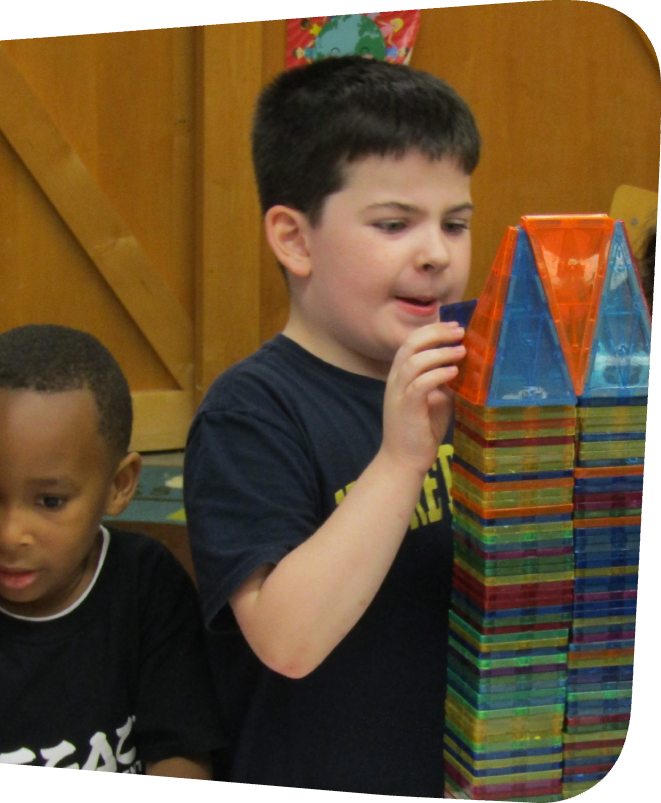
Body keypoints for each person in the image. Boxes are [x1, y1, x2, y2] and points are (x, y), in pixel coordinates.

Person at [184, 56, 480, 800]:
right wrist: (401, 459)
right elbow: (288, 639)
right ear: (295, 239)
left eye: (456, 223)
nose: (436, 253)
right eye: (394, 224)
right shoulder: (250, 413)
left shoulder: (478, 386)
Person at [0, 324, 224, 803]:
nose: (10, 534)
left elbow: (181, 754)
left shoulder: (148, 588)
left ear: (119, 485)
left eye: (50, 501)